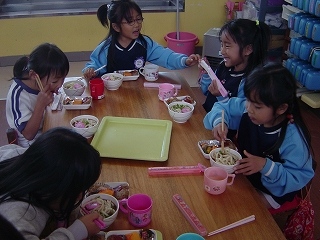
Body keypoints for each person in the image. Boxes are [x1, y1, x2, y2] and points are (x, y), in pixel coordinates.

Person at [206, 63, 314, 209]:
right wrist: (220, 122)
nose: (249, 109)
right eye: (248, 100)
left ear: (281, 108)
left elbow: (297, 177)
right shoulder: (250, 107)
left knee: (237, 210)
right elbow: (222, 107)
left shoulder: (292, 138)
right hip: (246, 175)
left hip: (273, 191)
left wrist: (265, 166)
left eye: (257, 106)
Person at [0, 127, 102, 240]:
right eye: (77, 190)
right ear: (53, 187)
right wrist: (77, 231)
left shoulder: (30, 158)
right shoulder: (17, 218)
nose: (79, 196)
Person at [82, 0, 200, 80]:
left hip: (139, 91)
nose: (136, 25)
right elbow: (94, 65)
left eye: (139, 19)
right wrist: (91, 71)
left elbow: (166, 56)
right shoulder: (106, 48)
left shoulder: (145, 44)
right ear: (116, 27)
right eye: (130, 21)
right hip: (112, 92)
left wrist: (185, 60)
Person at [199, 19, 271, 131]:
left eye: (227, 46)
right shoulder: (223, 66)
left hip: (224, 130)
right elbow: (206, 91)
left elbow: (241, 115)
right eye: (221, 45)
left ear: (248, 49)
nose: (222, 51)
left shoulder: (250, 81)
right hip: (207, 119)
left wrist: (220, 96)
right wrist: (207, 73)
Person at [6, 43, 69, 147]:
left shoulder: (42, 85)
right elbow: (28, 135)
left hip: (46, 130)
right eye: (55, 81)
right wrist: (40, 105)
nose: (60, 85)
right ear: (33, 76)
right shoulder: (18, 96)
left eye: (63, 79)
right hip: (31, 146)